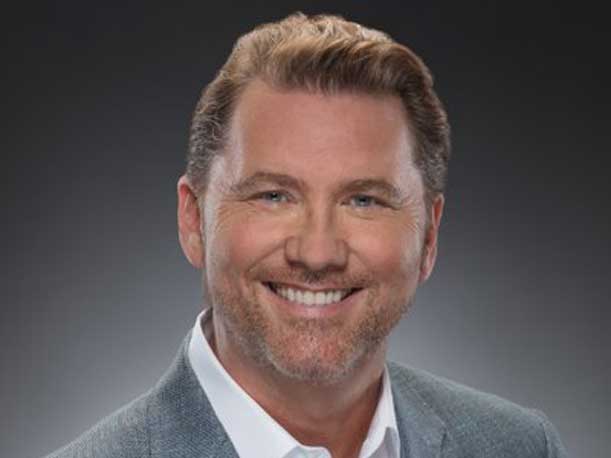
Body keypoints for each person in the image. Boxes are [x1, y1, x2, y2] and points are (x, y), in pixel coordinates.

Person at [45, 12, 568, 458]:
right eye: (274, 195)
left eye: (363, 200)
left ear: (429, 237)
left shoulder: (521, 447)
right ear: (193, 220)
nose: (317, 253)